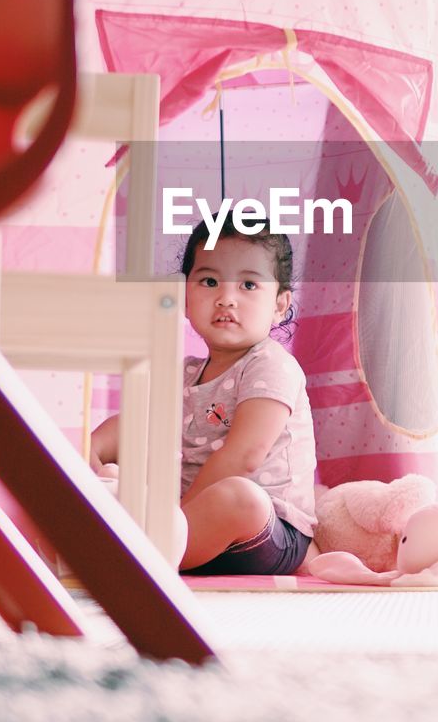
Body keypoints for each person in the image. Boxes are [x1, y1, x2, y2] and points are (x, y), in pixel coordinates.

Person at [90, 218, 317, 574]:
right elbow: (135, 425)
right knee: (115, 465)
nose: (226, 298)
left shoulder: (271, 364)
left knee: (239, 497)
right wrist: (91, 450)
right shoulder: (183, 372)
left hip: (266, 530)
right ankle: (140, 534)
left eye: (248, 284)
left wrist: (175, 518)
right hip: (191, 523)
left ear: (279, 304)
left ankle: (147, 550)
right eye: (210, 281)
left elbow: (245, 455)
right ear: (184, 296)